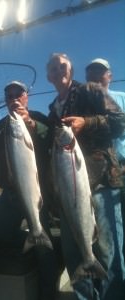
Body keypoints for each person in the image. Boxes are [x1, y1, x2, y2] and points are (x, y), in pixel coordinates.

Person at [46, 53, 125, 300]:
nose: (59, 71)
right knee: (74, 254)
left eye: (63, 66)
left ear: (71, 70)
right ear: (49, 76)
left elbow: (119, 121)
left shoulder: (91, 90)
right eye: (54, 68)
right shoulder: (52, 110)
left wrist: (86, 122)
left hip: (102, 182)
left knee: (108, 253)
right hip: (69, 192)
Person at [0, 81, 62, 300]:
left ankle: (47, 294)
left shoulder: (40, 118)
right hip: (9, 195)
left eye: (19, 94)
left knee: (46, 250)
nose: (14, 98)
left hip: (38, 193)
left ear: (27, 97)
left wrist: (31, 124)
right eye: (9, 95)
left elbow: (53, 137)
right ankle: (11, 284)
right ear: (6, 100)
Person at [86, 56, 125, 267]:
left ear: (110, 76)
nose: (95, 76)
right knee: (106, 236)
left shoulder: (121, 98)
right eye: (90, 72)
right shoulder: (85, 104)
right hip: (103, 175)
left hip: (121, 169)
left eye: (100, 71)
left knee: (116, 234)